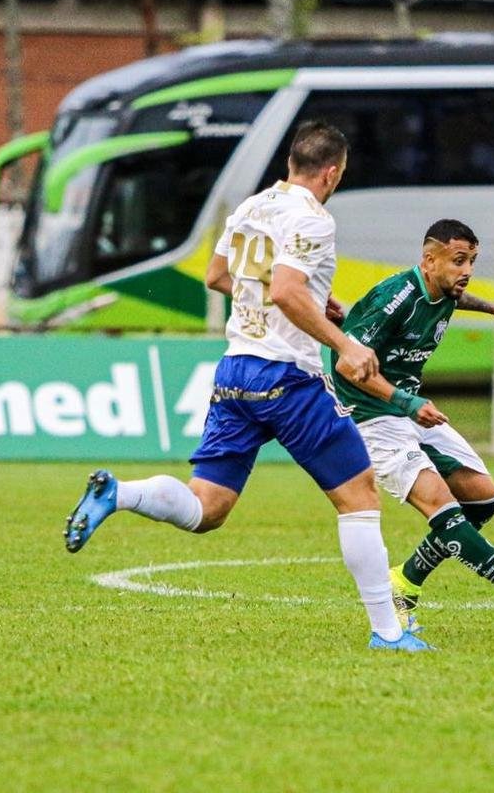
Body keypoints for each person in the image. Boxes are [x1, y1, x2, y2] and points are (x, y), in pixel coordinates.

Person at [63, 121, 431, 652]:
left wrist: (300, 300)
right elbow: (284, 291)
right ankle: (388, 632)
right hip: (287, 376)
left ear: (290, 164)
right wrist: (344, 343)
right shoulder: (315, 220)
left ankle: (120, 494)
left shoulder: (251, 207)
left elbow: (217, 277)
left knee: (207, 508)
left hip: (236, 371)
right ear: (332, 172)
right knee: (359, 496)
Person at [329, 218, 494, 624]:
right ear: (429, 260)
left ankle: (406, 579)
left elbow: (456, 299)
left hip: (410, 407)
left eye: (472, 261)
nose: (467, 271)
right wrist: (405, 401)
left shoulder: (443, 290)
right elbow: (347, 364)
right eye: (458, 261)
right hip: (371, 414)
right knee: (441, 505)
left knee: (483, 497)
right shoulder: (397, 297)